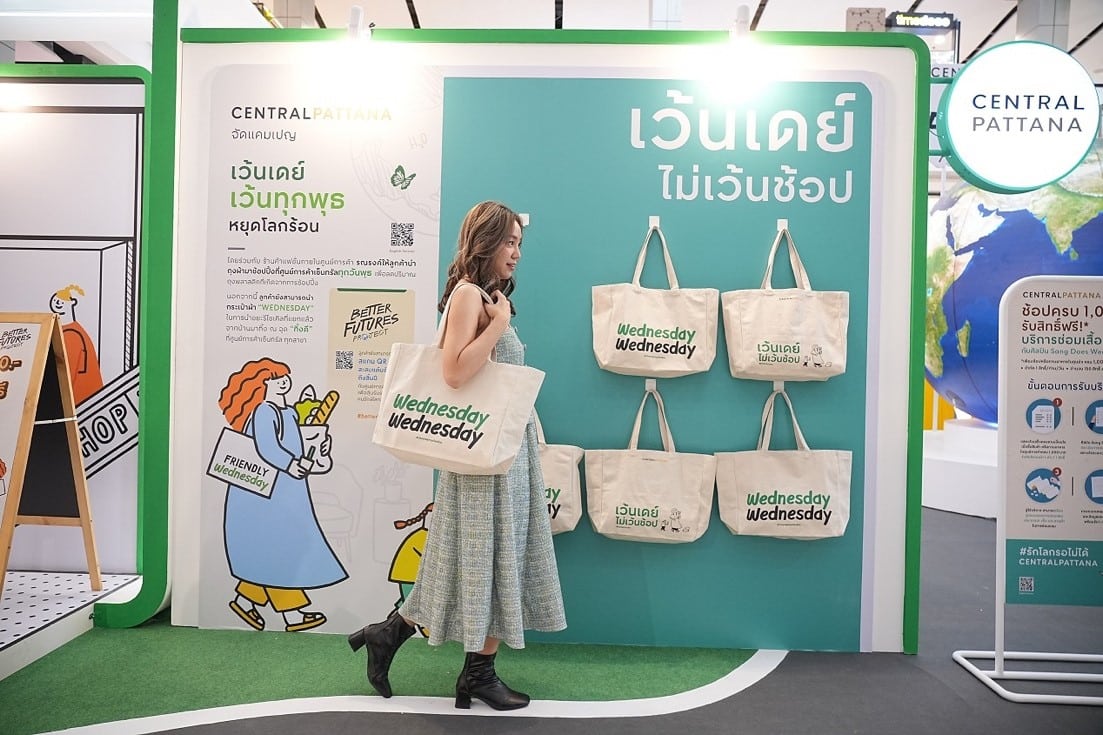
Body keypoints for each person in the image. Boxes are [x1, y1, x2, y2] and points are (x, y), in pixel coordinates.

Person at [349, 201, 566, 710]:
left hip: (501, 455)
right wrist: (498, 325)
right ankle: (473, 673)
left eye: (519, 243)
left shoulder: (486, 297)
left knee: (480, 560)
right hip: (482, 459)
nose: (516, 253)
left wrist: (499, 318)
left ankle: (412, 645)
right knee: (483, 560)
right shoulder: (469, 296)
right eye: (508, 242)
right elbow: (454, 372)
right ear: (484, 242)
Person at [217, 358, 347, 632]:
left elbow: (294, 444)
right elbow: (266, 446)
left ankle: (245, 601)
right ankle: (293, 615)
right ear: (262, 385)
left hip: (284, 490)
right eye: (275, 379)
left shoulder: (288, 412)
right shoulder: (265, 411)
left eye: (284, 377)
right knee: (284, 547)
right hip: (266, 494)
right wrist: (290, 464)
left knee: (273, 548)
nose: (283, 382)